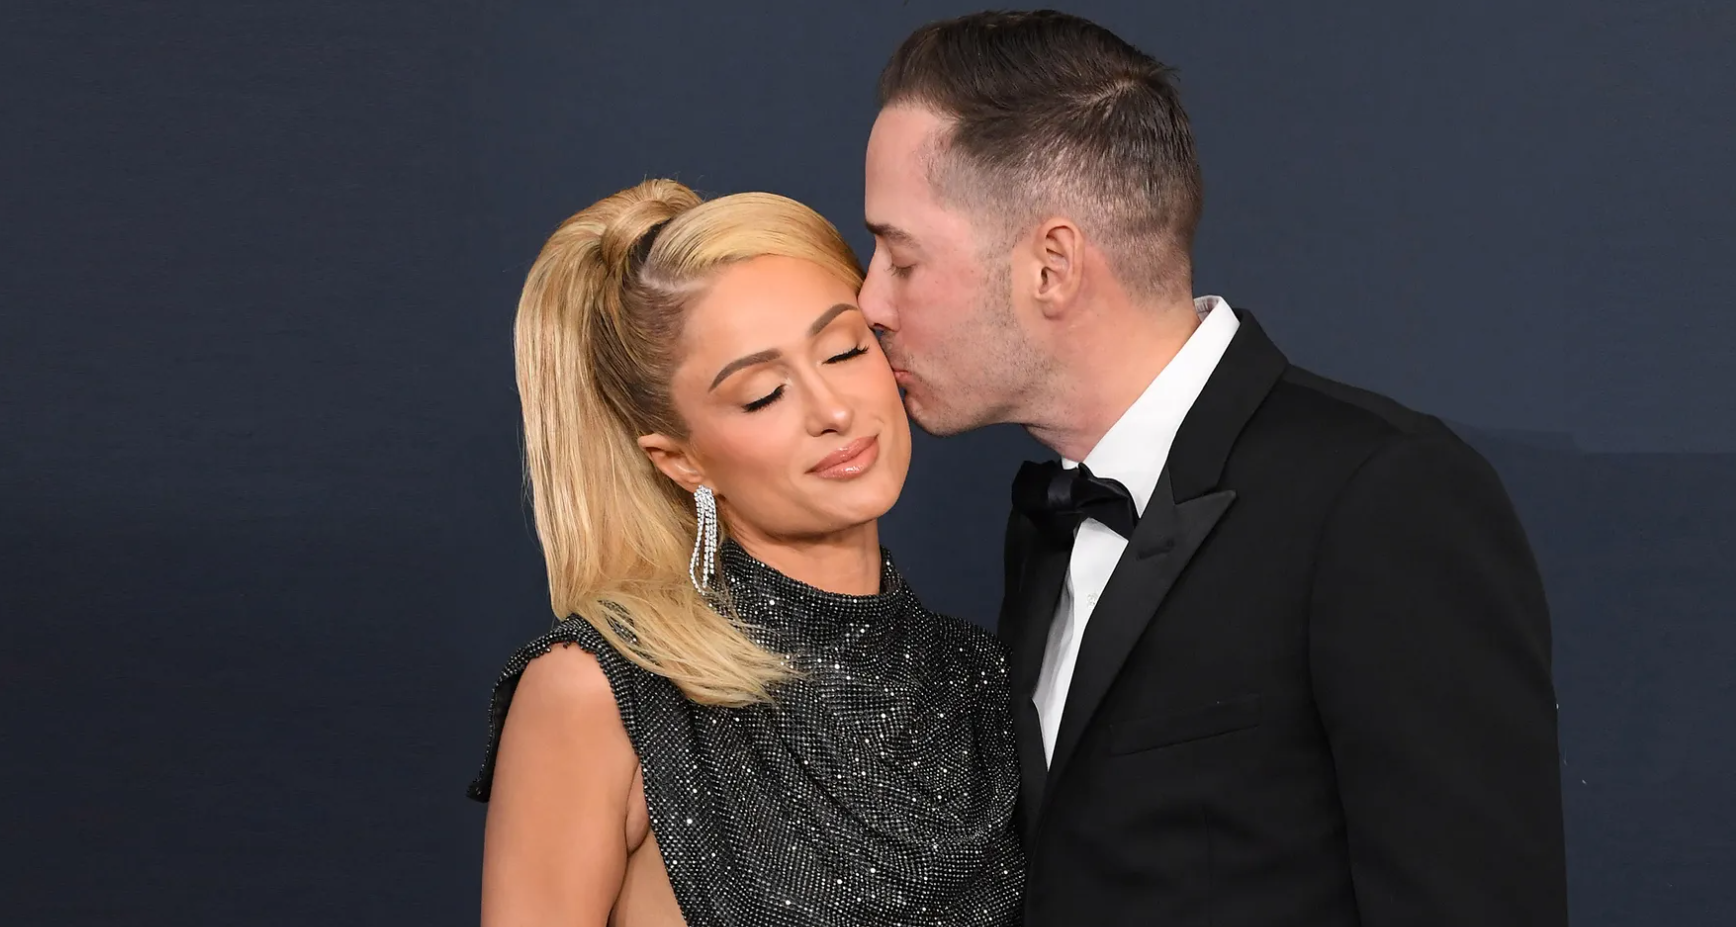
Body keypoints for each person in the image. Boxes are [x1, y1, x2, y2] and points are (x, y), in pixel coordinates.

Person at [859, 10, 1568, 927]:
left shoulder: (1381, 498)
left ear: (1051, 266)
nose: (869, 301)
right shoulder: (1046, 520)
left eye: (900, 256)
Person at [466, 179, 1023, 926]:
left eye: (844, 350)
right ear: (679, 460)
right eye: (763, 394)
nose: (833, 410)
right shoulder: (601, 691)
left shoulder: (984, 674)